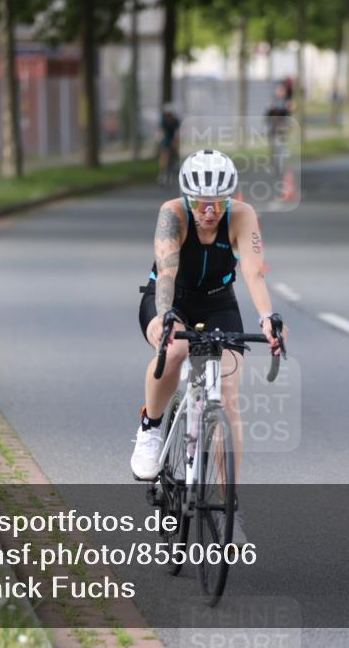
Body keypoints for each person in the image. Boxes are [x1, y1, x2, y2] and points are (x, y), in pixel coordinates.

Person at [132, 149, 289, 543]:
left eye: (218, 203)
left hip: (219, 301)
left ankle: (227, 507)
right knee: (176, 350)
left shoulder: (242, 215)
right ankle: (150, 428)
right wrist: (166, 317)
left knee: (230, 391)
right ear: (188, 198)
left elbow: (253, 272)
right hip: (171, 298)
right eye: (201, 203)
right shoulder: (173, 213)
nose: (209, 211)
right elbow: (166, 273)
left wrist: (267, 318)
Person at [157, 104, 181, 186]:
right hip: (167, 138)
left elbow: (177, 133)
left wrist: (175, 142)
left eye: (170, 115)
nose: (168, 117)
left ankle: (178, 162)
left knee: (177, 148)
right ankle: (163, 172)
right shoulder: (163, 121)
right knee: (164, 153)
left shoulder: (176, 121)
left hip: (174, 138)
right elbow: (162, 132)